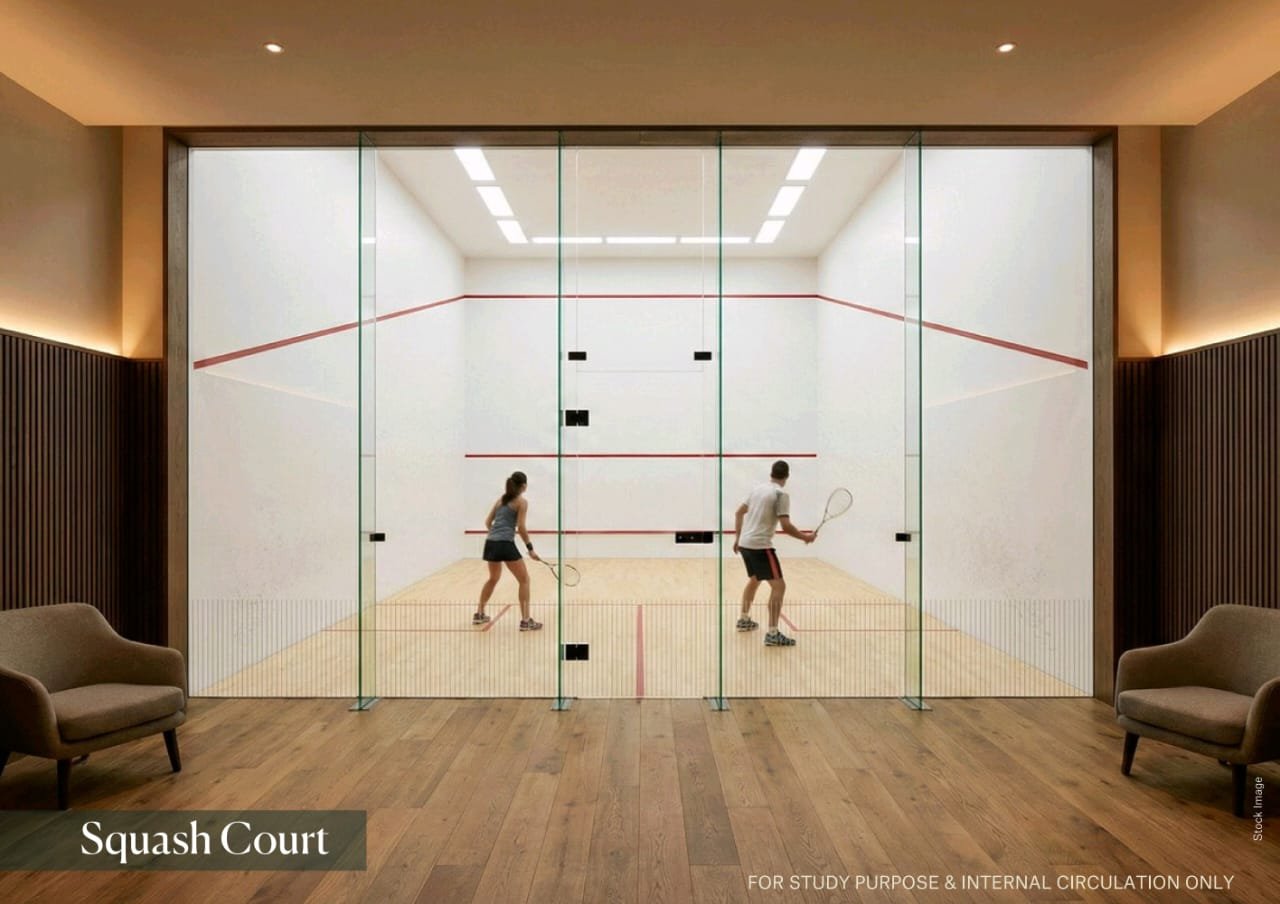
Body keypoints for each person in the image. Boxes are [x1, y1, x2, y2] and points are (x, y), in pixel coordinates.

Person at [732, 460, 814, 646]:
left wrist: (737, 538)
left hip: (745, 544)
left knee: (755, 579)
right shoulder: (780, 494)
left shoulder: (757, 489)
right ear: (787, 476)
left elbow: (738, 513)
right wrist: (805, 537)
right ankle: (773, 634)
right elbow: (786, 526)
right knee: (779, 587)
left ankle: (744, 619)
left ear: (771, 473)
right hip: (760, 546)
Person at [474, 471, 542, 630]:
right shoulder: (521, 502)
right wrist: (530, 549)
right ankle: (526, 621)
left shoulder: (500, 500)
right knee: (524, 580)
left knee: (493, 578)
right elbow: (521, 527)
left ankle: (479, 614)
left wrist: (496, 535)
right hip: (505, 544)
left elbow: (487, 522)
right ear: (523, 486)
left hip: (490, 543)